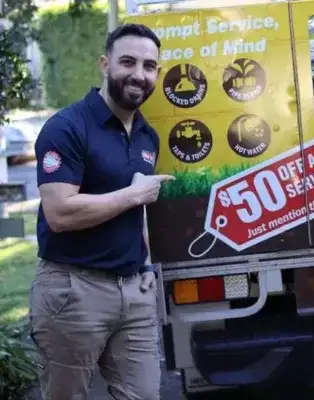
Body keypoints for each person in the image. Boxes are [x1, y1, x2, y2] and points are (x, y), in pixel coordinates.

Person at [28, 23, 174, 400]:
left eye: (149, 66)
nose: (139, 75)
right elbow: (60, 212)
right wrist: (133, 194)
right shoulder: (66, 128)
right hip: (74, 292)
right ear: (105, 64)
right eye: (128, 62)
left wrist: (145, 265)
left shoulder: (146, 136)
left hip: (134, 292)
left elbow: (138, 210)